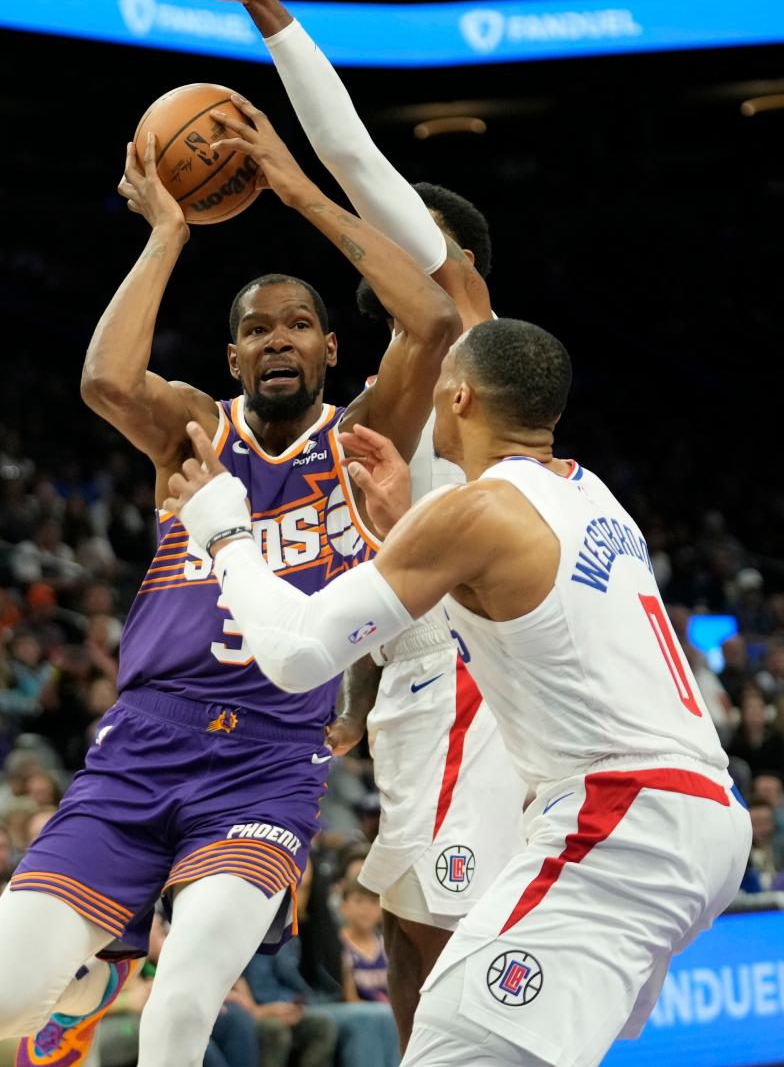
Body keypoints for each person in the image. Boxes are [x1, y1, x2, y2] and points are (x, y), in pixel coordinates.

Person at [0, 87, 469, 1067]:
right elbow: (106, 381)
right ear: (233, 354)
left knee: (182, 1010)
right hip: (143, 743)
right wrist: (167, 234)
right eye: (258, 328)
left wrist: (291, 186)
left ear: (329, 346)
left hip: (268, 759)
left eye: (299, 323)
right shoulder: (197, 426)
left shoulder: (365, 436)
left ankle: (129, 978)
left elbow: (435, 316)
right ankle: (97, 970)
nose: (279, 338)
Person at [163, 316, 752, 1067]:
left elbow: (298, 651)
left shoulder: (478, 507)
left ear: (461, 394)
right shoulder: (590, 493)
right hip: (701, 812)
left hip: (621, 815)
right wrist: (402, 529)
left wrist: (224, 531)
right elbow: (504, 608)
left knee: (448, 1041)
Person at [131, 0, 525, 1044]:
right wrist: (351, 699)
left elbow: (354, 160)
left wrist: (269, 14)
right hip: (404, 668)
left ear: (455, 255)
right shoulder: (374, 411)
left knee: (450, 924)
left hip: (463, 671)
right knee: (404, 921)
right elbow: (356, 564)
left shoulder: (468, 332)